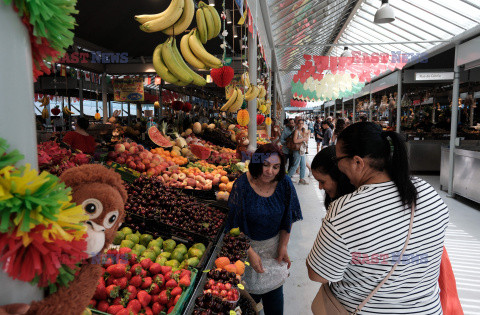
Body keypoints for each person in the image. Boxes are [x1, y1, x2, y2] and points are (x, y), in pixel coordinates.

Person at [306, 122, 449, 314]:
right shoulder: (428, 191)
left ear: (357, 162)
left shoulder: (345, 209)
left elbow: (318, 274)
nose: (338, 166)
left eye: (339, 159)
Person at [226, 144, 302, 315]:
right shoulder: (242, 185)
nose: (270, 171)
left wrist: (283, 246)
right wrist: (249, 251)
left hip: (273, 250)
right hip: (245, 250)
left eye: (276, 167)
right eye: (266, 165)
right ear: (257, 162)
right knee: (249, 304)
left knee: (275, 302)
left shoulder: (284, 183)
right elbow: (233, 225)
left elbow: (288, 217)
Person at [287, 119, 309, 185]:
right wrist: (303, 139)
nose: (301, 125)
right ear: (297, 124)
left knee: (303, 165)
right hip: (297, 150)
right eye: (299, 123)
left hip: (302, 149)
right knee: (295, 165)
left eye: (302, 123)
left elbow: (306, 139)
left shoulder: (303, 130)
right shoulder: (296, 131)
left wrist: (306, 137)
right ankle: (287, 178)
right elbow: (295, 141)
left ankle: (301, 179)